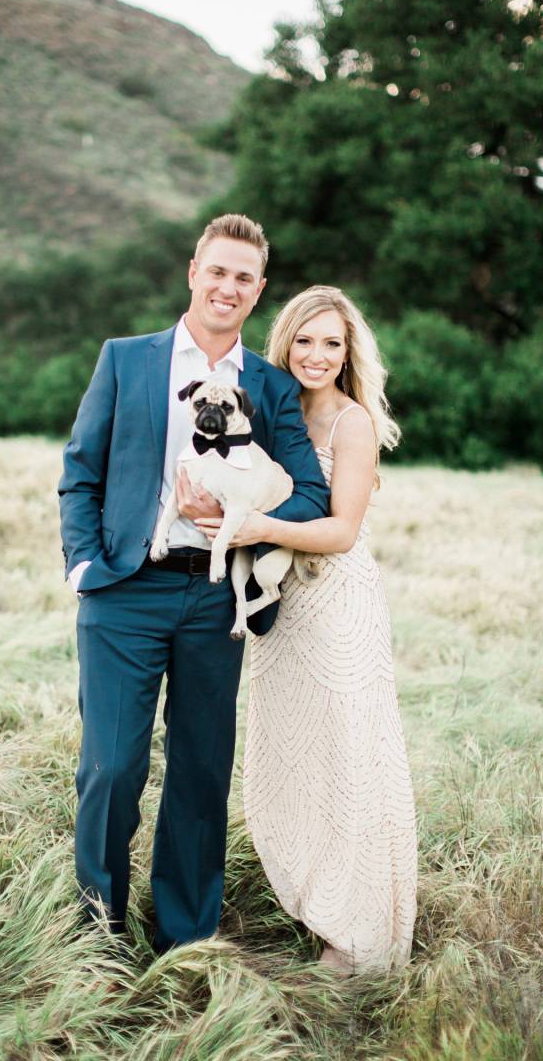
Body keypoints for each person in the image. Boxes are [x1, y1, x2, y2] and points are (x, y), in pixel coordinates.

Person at [58, 214, 329, 953]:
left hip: (218, 601)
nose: (228, 287)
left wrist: (247, 524)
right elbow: (80, 470)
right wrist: (85, 564)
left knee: (201, 772)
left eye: (244, 277)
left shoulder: (270, 388)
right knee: (111, 768)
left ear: (259, 290)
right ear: (193, 272)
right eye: (218, 271)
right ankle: (97, 934)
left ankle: (185, 941)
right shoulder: (126, 360)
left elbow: (309, 493)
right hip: (124, 592)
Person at [197, 286, 418, 974]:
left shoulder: (353, 425)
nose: (316, 355)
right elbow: (239, 482)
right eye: (304, 341)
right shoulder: (267, 411)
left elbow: (343, 531)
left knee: (349, 758)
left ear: (348, 352)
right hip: (279, 611)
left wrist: (259, 529)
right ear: (285, 344)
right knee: (294, 759)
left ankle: (356, 938)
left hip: (338, 606)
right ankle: (318, 902)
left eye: (332, 343)